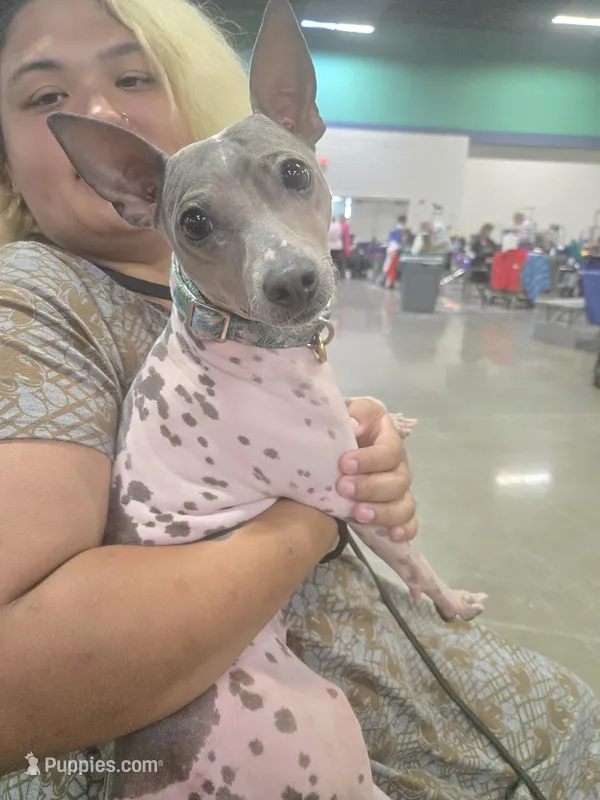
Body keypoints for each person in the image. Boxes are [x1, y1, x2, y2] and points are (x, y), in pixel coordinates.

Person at [0, 2, 598, 799]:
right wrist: (324, 505)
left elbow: (269, 431)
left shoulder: (188, 292)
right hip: (257, 742)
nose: (99, 108)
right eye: (46, 99)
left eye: (132, 74)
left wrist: (357, 435)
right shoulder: (31, 299)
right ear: (132, 189)